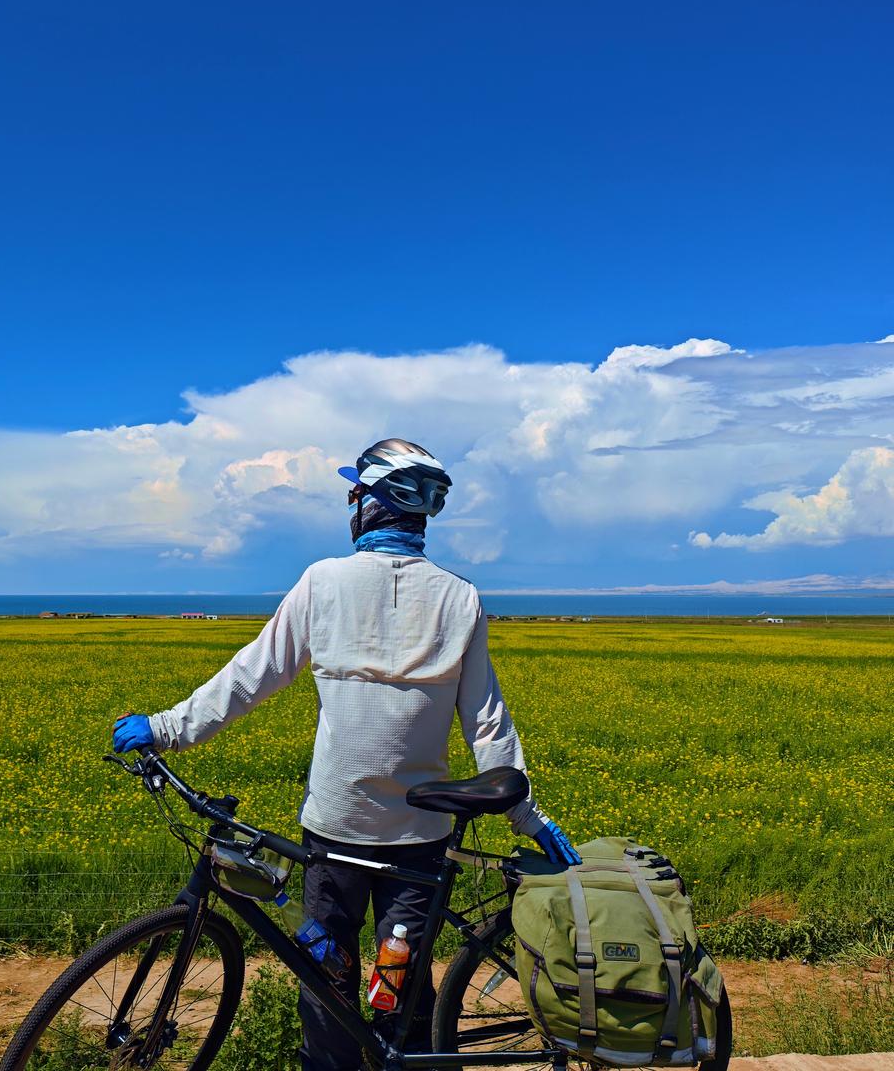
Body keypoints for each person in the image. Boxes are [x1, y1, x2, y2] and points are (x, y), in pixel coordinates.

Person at [112, 437, 581, 1071]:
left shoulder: (322, 582)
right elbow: (487, 720)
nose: (350, 504)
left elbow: (251, 677)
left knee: (329, 991)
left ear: (373, 504)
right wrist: (530, 817)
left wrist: (167, 728)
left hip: (335, 830)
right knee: (400, 990)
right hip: (420, 833)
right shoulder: (460, 597)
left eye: (354, 494)